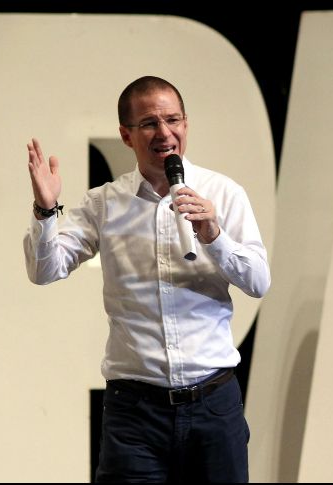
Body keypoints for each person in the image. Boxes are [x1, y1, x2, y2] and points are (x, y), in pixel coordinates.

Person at [23, 75, 270, 482]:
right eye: (150, 123)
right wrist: (46, 211)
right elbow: (44, 270)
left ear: (186, 124)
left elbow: (258, 282)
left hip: (213, 405)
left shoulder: (223, 193)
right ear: (126, 135)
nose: (165, 133)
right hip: (135, 414)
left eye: (173, 120)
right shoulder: (104, 203)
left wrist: (215, 235)